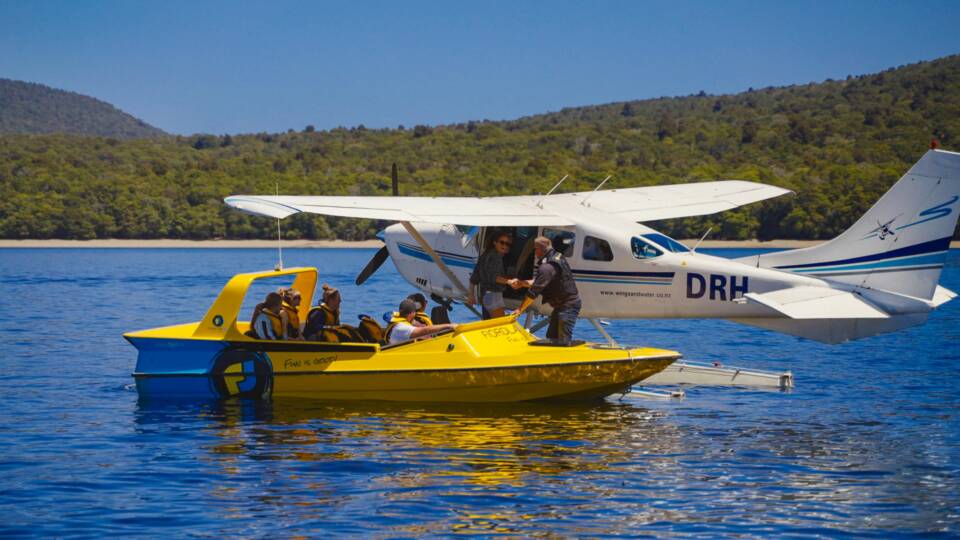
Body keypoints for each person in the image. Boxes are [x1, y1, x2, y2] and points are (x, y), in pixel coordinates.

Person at [510, 235, 582, 344]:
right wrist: (522, 283)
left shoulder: (547, 267)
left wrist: (520, 309)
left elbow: (533, 293)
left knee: (563, 341)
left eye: (535, 249)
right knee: (551, 337)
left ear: (540, 249)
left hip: (569, 305)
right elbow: (542, 281)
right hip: (562, 305)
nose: (534, 252)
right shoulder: (557, 257)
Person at [467, 231, 513, 318]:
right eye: (502, 242)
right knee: (500, 324)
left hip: (486, 296)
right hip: (493, 296)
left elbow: (474, 277)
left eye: (508, 244)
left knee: (488, 323)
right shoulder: (495, 257)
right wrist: (510, 281)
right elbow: (493, 277)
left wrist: (471, 294)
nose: (505, 246)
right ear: (494, 242)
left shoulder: (485, 255)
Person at [385, 299, 456, 345]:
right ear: (412, 313)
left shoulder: (398, 324)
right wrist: (448, 326)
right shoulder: (401, 328)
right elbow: (424, 331)